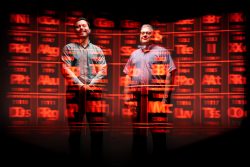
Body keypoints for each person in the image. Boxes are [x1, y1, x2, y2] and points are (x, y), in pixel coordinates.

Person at [123, 24, 176, 162]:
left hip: (156, 98)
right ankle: (138, 159)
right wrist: (126, 96)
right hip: (138, 97)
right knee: (138, 133)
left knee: (158, 133)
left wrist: (165, 97)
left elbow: (170, 73)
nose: (144, 35)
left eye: (147, 33)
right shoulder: (134, 54)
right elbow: (128, 75)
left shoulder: (162, 51)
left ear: (152, 35)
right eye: (142, 33)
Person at [60, 17, 107, 163]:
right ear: (75, 30)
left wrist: (91, 84)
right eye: (77, 26)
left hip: (94, 94)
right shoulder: (68, 48)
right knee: (75, 131)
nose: (81, 28)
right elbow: (65, 68)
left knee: (97, 132)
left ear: (89, 29)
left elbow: (103, 70)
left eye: (84, 25)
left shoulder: (98, 49)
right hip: (74, 95)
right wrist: (81, 86)